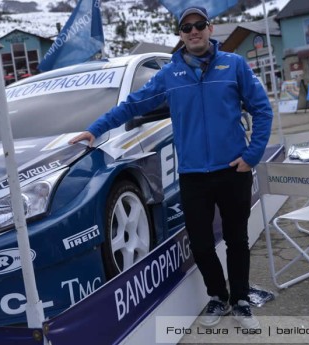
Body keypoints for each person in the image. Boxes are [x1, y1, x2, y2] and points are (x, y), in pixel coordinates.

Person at [68, 6, 273, 329]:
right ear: (180, 34)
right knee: (201, 242)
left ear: (210, 29)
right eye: (186, 27)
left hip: (233, 170)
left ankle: (241, 300)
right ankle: (218, 297)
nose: (193, 31)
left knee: (236, 240)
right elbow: (132, 105)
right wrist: (96, 128)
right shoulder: (169, 75)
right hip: (193, 175)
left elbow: (262, 111)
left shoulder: (234, 66)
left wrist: (251, 156)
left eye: (199, 25)